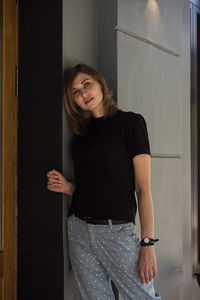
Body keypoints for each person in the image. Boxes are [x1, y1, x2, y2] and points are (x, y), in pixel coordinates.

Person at [46, 63, 161, 300]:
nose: (82, 94)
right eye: (75, 92)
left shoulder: (131, 123)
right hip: (79, 230)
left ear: (100, 83)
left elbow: (143, 188)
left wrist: (147, 243)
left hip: (116, 231)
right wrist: (68, 187)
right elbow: (96, 185)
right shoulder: (81, 136)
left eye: (86, 84)